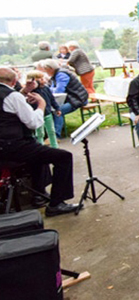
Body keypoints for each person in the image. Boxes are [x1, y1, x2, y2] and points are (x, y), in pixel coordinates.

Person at [0, 67, 81, 216]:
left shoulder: (11, 95)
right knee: (63, 156)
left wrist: (23, 92)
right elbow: (34, 123)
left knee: (38, 152)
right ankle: (57, 204)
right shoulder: (12, 96)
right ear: (13, 81)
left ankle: (38, 195)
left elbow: (7, 106)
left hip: (4, 147)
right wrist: (42, 105)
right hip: (11, 147)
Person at [39, 59, 88, 138]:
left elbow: (58, 90)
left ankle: (55, 136)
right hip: (71, 98)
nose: (45, 71)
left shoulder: (61, 75)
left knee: (58, 111)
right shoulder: (56, 75)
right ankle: (49, 134)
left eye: (46, 69)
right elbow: (52, 89)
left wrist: (49, 89)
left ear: (50, 68)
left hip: (78, 99)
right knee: (51, 110)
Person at [24, 70, 59, 148]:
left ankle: (54, 146)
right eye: (40, 78)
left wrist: (57, 108)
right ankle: (40, 145)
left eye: (43, 78)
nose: (43, 80)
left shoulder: (46, 88)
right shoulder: (32, 91)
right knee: (40, 133)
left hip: (48, 113)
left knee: (52, 131)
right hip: (38, 113)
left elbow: (52, 99)